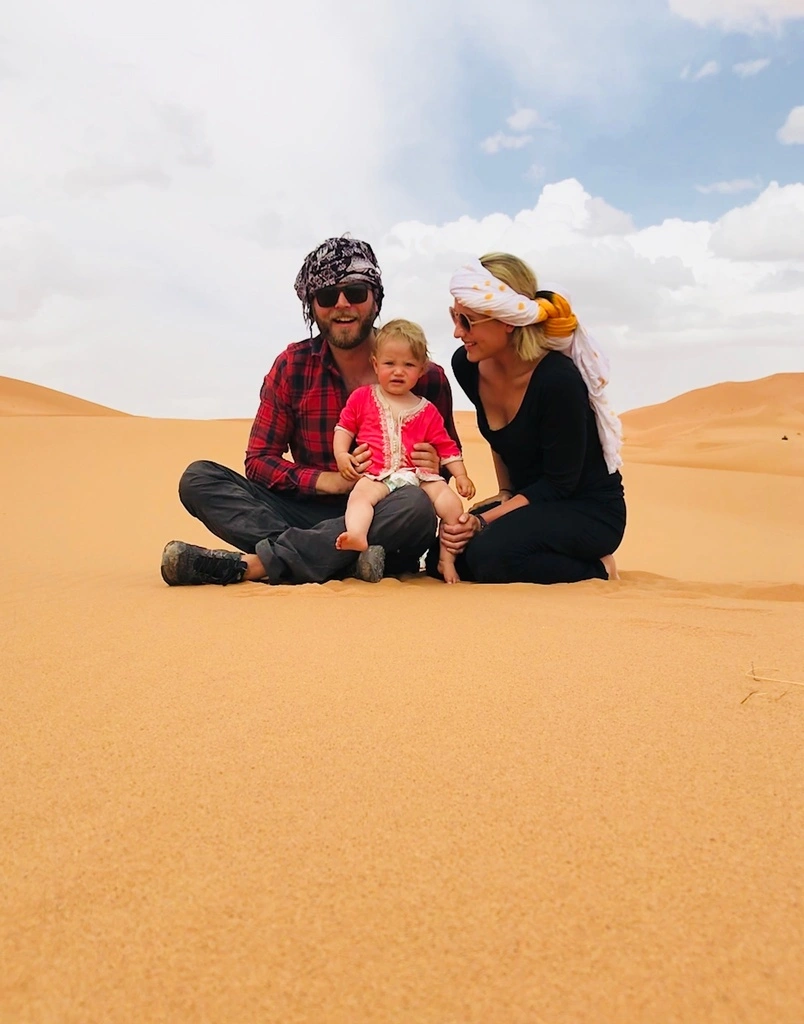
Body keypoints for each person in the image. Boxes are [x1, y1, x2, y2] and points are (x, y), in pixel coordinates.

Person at [160, 236, 460, 587]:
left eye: (356, 293)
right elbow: (258, 460)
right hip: (308, 511)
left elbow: (447, 467)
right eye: (327, 296)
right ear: (312, 305)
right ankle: (341, 562)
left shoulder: (427, 377)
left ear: (375, 299)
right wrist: (329, 481)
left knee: (415, 506)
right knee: (199, 479)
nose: (342, 305)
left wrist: (434, 463)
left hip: (387, 512)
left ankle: (256, 565)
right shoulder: (293, 366)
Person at [436, 252, 626, 585]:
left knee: (489, 555)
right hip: (527, 501)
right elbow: (498, 436)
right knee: (453, 547)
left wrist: (485, 521)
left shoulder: (557, 380)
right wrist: (504, 492)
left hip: (585, 509)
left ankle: (598, 569)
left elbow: (559, 484)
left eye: (467, 321)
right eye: (454, 316)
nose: (457, 332)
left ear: (507, 319)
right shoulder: (467, 365)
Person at [333, 318, 476, 583]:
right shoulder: (363, 398)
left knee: (452, 506)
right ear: (375, 365)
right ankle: (358, 535)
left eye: (408, 365)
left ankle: (446, 559)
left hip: (418, 475)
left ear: (421, 370)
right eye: (389, 364)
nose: (398, 371)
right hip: (377, 473)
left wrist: (462, 475)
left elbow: (447, 448)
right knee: (360, 498)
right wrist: (342, 455)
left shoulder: (427, 410)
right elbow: (344, 429)